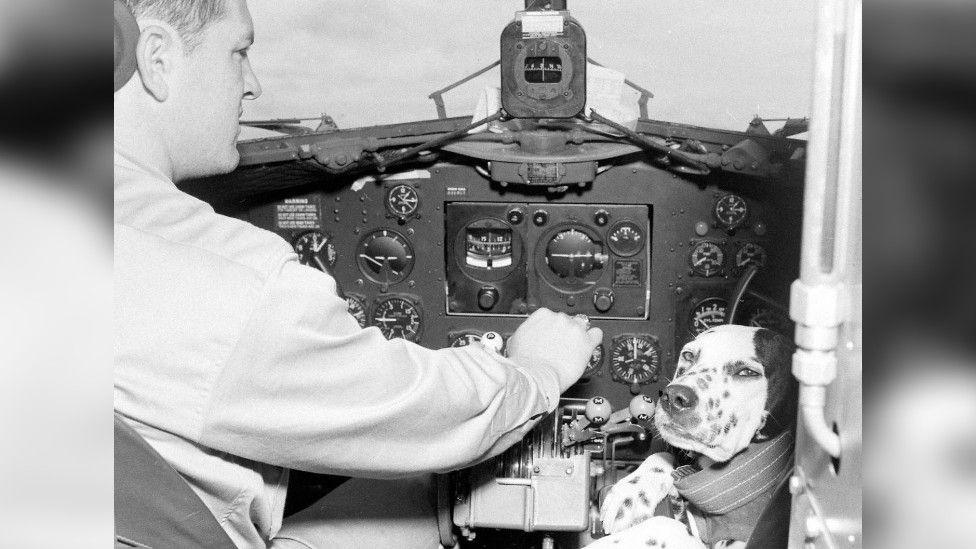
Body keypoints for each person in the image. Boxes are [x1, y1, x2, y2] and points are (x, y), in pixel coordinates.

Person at [113, 0, 602, 547]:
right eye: (239, 52)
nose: (252, 85)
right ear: (156, 58)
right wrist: (538, 369)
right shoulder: (230, 277)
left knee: (431, 499)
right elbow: (418, 413)